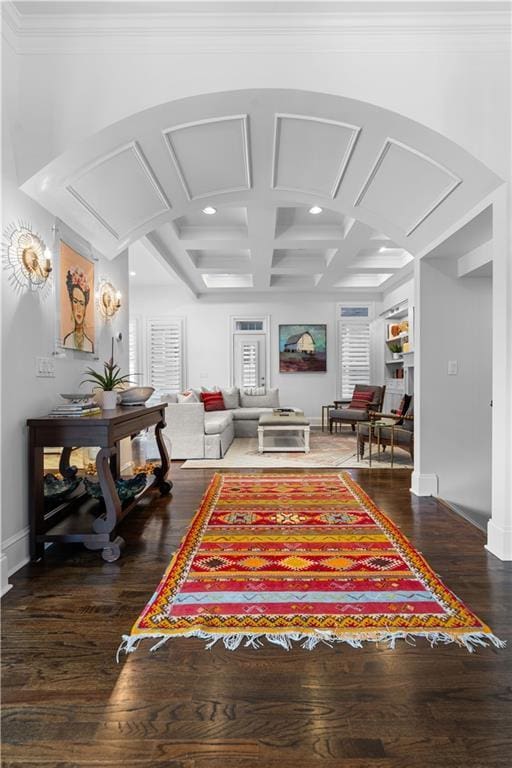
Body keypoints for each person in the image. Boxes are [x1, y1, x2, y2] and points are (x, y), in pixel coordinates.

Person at [63, 266, 94, 352]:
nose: (79, 309)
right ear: (71, 304)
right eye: (75, 302)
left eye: (82, 303)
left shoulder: (90, 344)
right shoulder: (67, 340)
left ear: (85, 306)